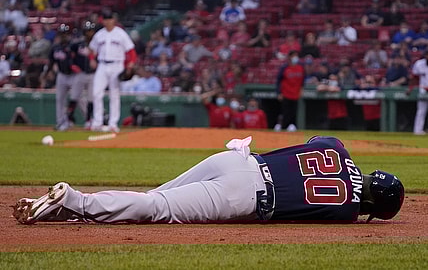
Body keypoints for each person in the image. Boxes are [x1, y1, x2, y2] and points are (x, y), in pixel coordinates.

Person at [11, 135, 405, 224]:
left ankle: (72, 214)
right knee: (157, 209)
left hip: (236, 160)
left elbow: (314, 144)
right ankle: (75, 201)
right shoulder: (348, 211)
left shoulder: (336, 147)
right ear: (372, 206)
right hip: (245, 196)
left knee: (153, 197)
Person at [88, 8, 137, 133]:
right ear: (103, 21)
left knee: (114, 95)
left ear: (113, 20)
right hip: (102, 65)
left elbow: (131, 51)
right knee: (96, 93)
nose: (108, 21)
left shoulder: (120, 34)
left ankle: (113, 124)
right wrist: (92, 59)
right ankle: (97, 122)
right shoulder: (99, 34)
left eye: (109, 19)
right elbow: (92, 50)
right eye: (105, 19)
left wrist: (130, 64)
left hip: (117, 65)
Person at [66, 21, 96, 129]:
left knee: (91, 98)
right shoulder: (78, 44)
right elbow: (69, 54)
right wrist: (72, 65)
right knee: (74, 96)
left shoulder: (97, 43)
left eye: (91, 31)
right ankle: (69, 119)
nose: (89, 33)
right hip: (81, 73)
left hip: (93, 74)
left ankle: (88, 120)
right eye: (88, 31)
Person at [46, 24, 75, 131]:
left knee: (80, 99)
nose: (64, 36)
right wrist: (46, 74)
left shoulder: (73, 46)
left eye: (65, 33)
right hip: (62, 75)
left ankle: (89, 120)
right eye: (62, 34)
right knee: (60, 99)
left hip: (74, 76)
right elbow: (51, 62)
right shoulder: (55, 47)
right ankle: (61, 123)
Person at [275, 51, 305, 132]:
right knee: (285, 112)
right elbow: (278, 81)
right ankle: (283, 126)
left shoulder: (301, 67)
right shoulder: (284, 68)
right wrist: (279, 93)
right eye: (294, 56)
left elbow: (303, 81)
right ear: (290, 57)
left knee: (294, 111)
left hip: (295, 93)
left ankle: (292, 126)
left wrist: (301, 90)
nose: (295, 58)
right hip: (286, 93)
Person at [412, 51, 428, 135]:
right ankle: (417, 131)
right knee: (421, 110)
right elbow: (414, 77)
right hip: (423, 89)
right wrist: (411, 88)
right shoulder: (419, 64)